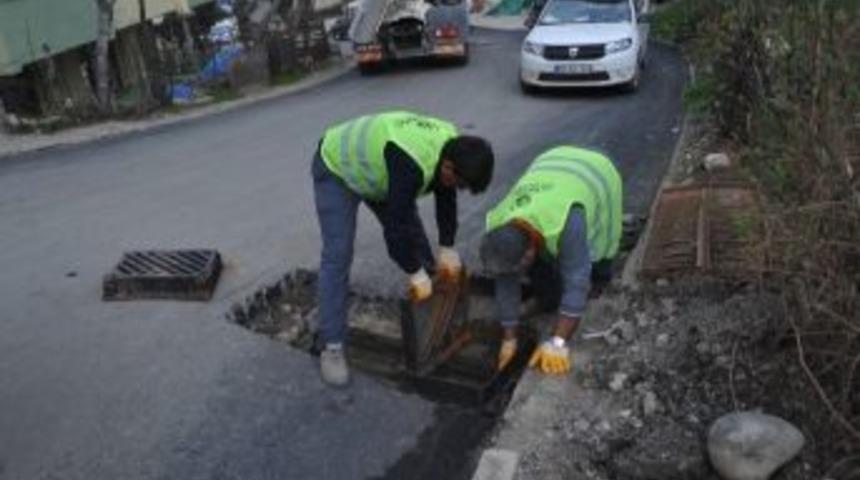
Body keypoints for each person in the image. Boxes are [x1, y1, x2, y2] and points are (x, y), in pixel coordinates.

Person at [312, 110, 495, 386]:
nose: (457, 189)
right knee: (338, 257)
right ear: (448, 166)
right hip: (337, 167)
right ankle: (332, 347)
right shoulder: (411, 164)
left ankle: (435, 319)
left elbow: (446, 201)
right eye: (459, 183)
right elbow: (394, 232)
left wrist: (447, 247)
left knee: (414, 235)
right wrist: (414, 272)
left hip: (377, 173)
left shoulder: (452, 147)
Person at [479, 145, 622, 375]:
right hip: (550, 161)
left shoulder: (568, 222)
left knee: (596, 253)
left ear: (529, 252)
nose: (514, 274)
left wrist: (558, 342)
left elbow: (577, 280)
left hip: (597, 173)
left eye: (519, 266)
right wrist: (509, 339)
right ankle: (551, 299)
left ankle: (601, 280)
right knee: (546, 272)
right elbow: (506, 282)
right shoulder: (498, 226)